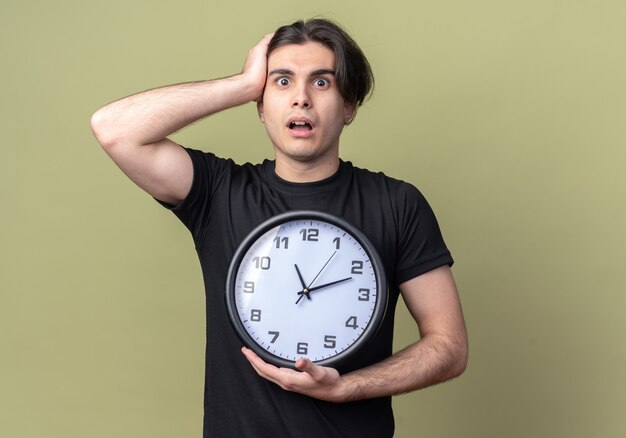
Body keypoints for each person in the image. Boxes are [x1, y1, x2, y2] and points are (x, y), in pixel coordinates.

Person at [91, 18, 468, 438]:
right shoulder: (219, 193)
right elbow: (114, 129)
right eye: (282, 82)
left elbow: (448, 347)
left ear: (349, 106)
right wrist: (242, 83)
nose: (301, 99)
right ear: (260, 105)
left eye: (321, 83)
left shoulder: (397, 204)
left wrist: (347, 387)